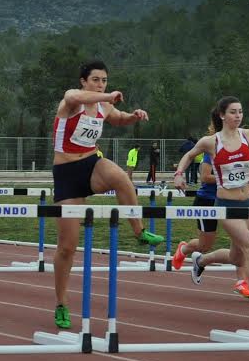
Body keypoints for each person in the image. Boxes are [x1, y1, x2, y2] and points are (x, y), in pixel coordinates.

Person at [51, 60, 164, 330]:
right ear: (83, 80)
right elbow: (75, 96)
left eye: (104, 81)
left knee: (121, 179)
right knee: (67, 247)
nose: (101, 85)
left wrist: (134, 115)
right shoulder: (72, 101)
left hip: (91, 164)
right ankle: (61, 304)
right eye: (96, 80)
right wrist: (107, 96)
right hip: (66, 173)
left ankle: (138, 231)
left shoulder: (105, 106)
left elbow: (120, 118)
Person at [173, 96, 249, 318]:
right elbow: (188, 155)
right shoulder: (210, 142)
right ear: (222, 115)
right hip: (226, 205)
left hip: (248, 203)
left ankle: (200, 260)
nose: (238, 116)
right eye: (233, 112)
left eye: (240, 111)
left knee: (237, 257)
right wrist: (178, 174)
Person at [171, 118, 249, 299]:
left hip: (231, 201)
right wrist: (229, 176)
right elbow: (205, 177)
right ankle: (185, 250)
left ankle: (242, 282)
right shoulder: (212, 147)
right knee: (204, 245)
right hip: (208, 200)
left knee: (242, 244)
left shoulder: (241, 144)